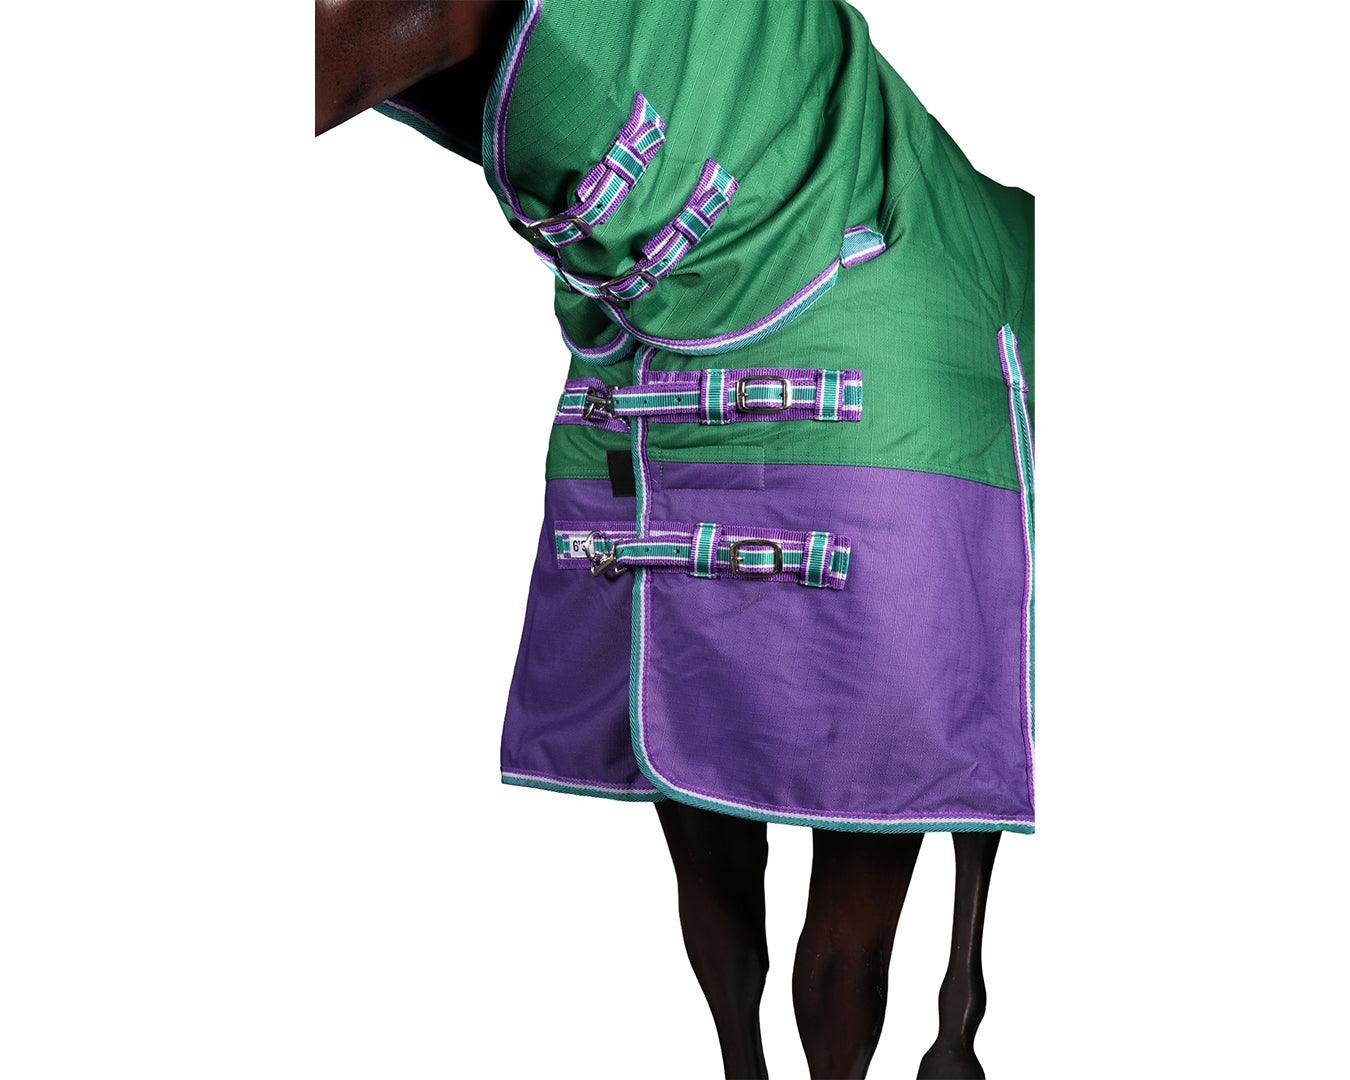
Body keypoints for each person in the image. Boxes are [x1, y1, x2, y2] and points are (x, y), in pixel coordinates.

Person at [315, 3, 1033, 1076]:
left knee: (883, 790)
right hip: (668, 368)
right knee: (711, 825)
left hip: (867, 372)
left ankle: (956, 1005)